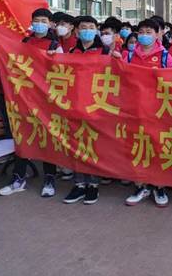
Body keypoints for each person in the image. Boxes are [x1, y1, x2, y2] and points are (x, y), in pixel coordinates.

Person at [0, 8, 62, 198]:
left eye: (43, 21)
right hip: (24, 97)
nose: (39, 24)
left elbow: (62, 72)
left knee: (47, 139)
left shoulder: (55, 45)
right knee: (22, 136)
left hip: (45, 99)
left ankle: (49, 179)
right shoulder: (25, 41)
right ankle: (18, 178)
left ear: (50, 24)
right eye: (36, 20)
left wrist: (53, 60)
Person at [122, 20, 172, 208]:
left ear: (157, 34)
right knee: (138, 147)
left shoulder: (165, 56)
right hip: (134, 109)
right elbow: (120, 78)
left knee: (158, 147)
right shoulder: (129, 55)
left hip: (157, 110)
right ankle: (140, 186)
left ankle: (159, 187)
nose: (145, 35)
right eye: (142, 32)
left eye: (149, 32)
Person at [61, 16, 111, 205]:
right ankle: (79, 184)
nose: (87, 30)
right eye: (83, 27)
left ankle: (93, 185)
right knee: (76, 145)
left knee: (93, 145)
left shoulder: (104, 51)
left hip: (96, 104)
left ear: (96, 30)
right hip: (75, 104)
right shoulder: (72, 52)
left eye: (91, 27)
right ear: (77, 31)